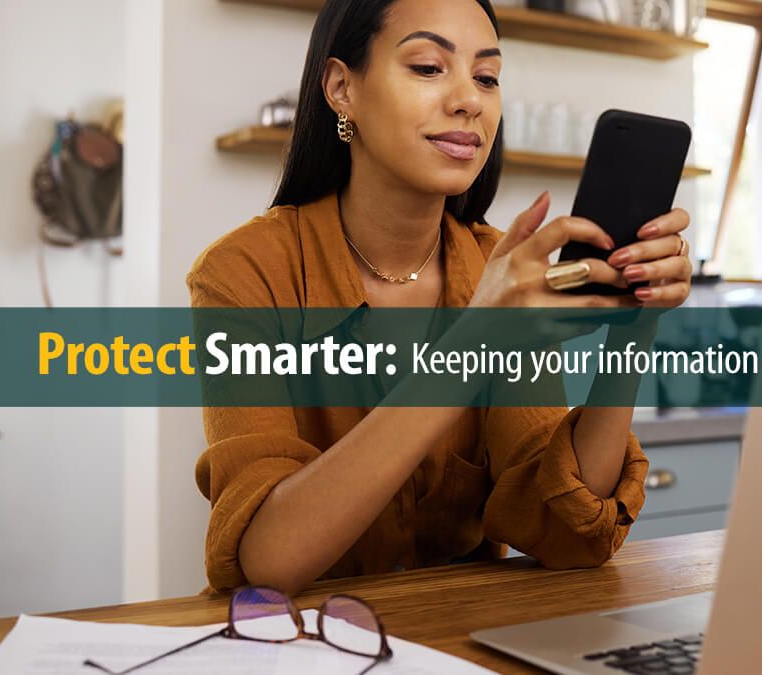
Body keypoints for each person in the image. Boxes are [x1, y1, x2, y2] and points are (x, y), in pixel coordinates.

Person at [187, 0, 693, 595]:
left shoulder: (499, 267)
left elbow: (569, 536)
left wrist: (635, 331)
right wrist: (474, 343)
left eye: (487, 77)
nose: (469, 100)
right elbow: (270, 561)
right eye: (429, 67)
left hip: (460, 640)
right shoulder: (242, 274)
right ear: (341, 88)